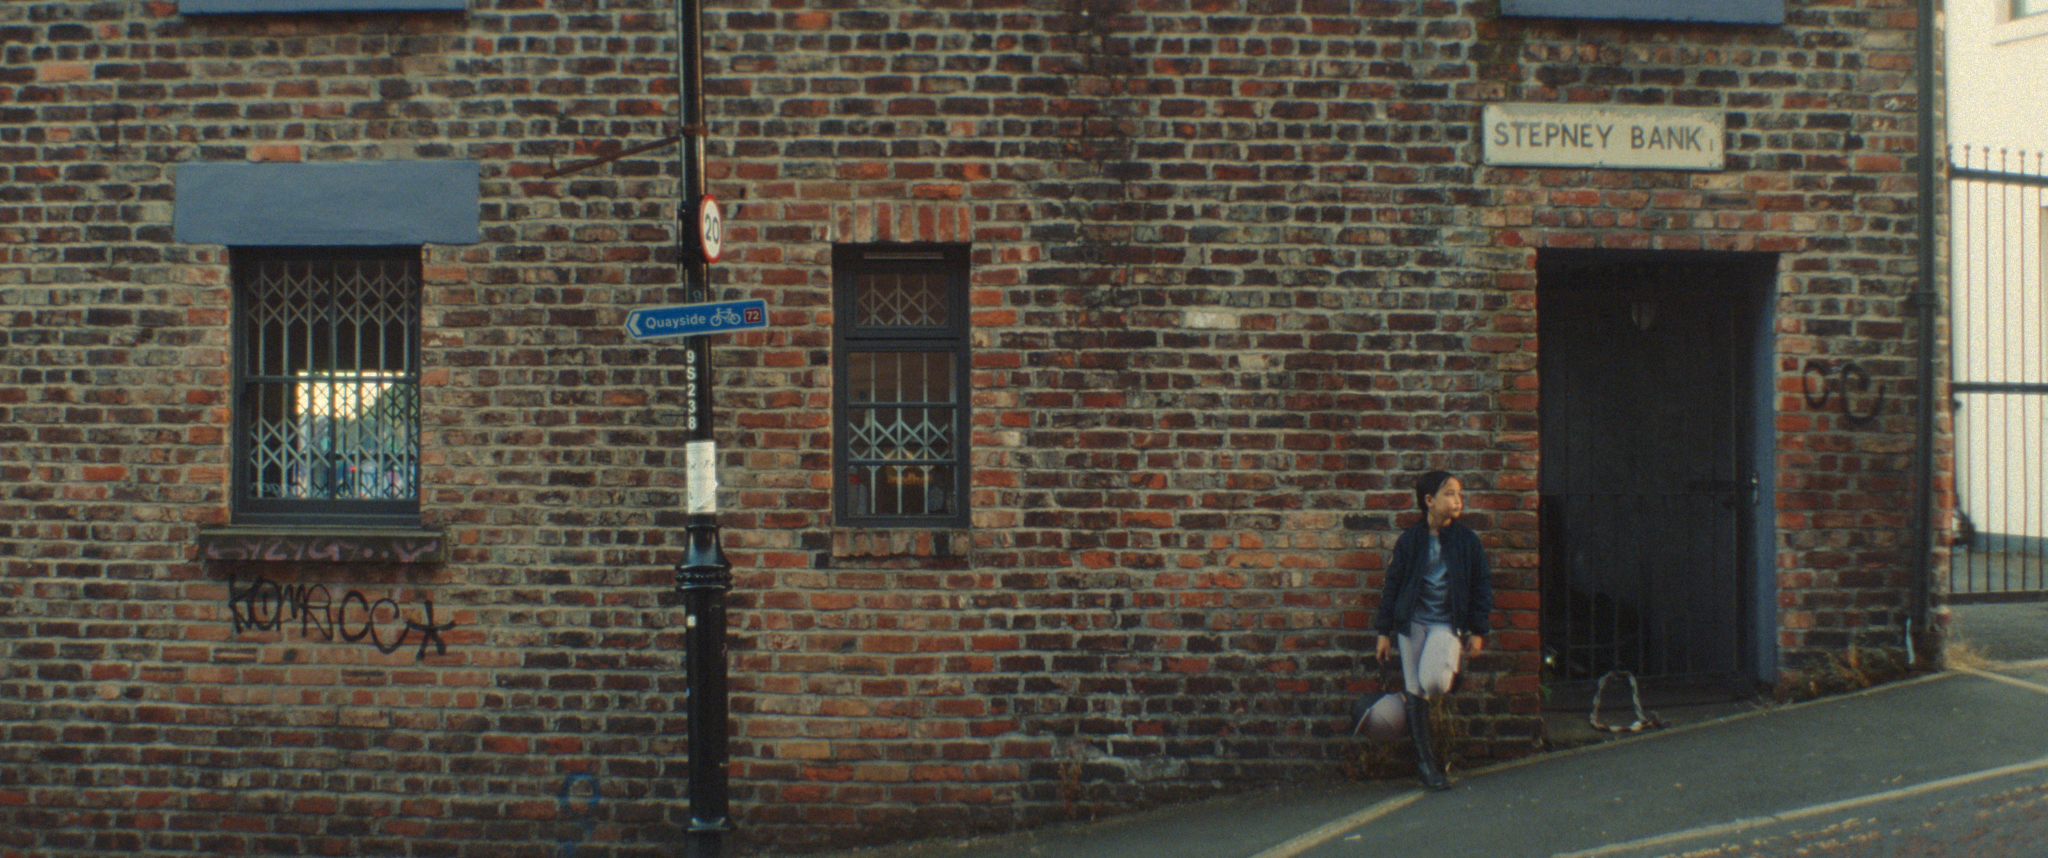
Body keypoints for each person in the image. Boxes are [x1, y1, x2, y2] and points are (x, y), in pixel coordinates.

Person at [1368, 470, 1493, 790]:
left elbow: (1481, 587)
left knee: (1434, 682)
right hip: (1412, 625)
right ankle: (1426, 765)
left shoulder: (1467, 541)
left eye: (1459, 493)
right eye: (1449, 493)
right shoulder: (1410, 541)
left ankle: (1452, 673)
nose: (1457, 500)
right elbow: (1392, 585)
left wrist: (1477, 630)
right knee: (1416, 692)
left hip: (1445, 625)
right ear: (1429, 501)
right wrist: (1384, 632)